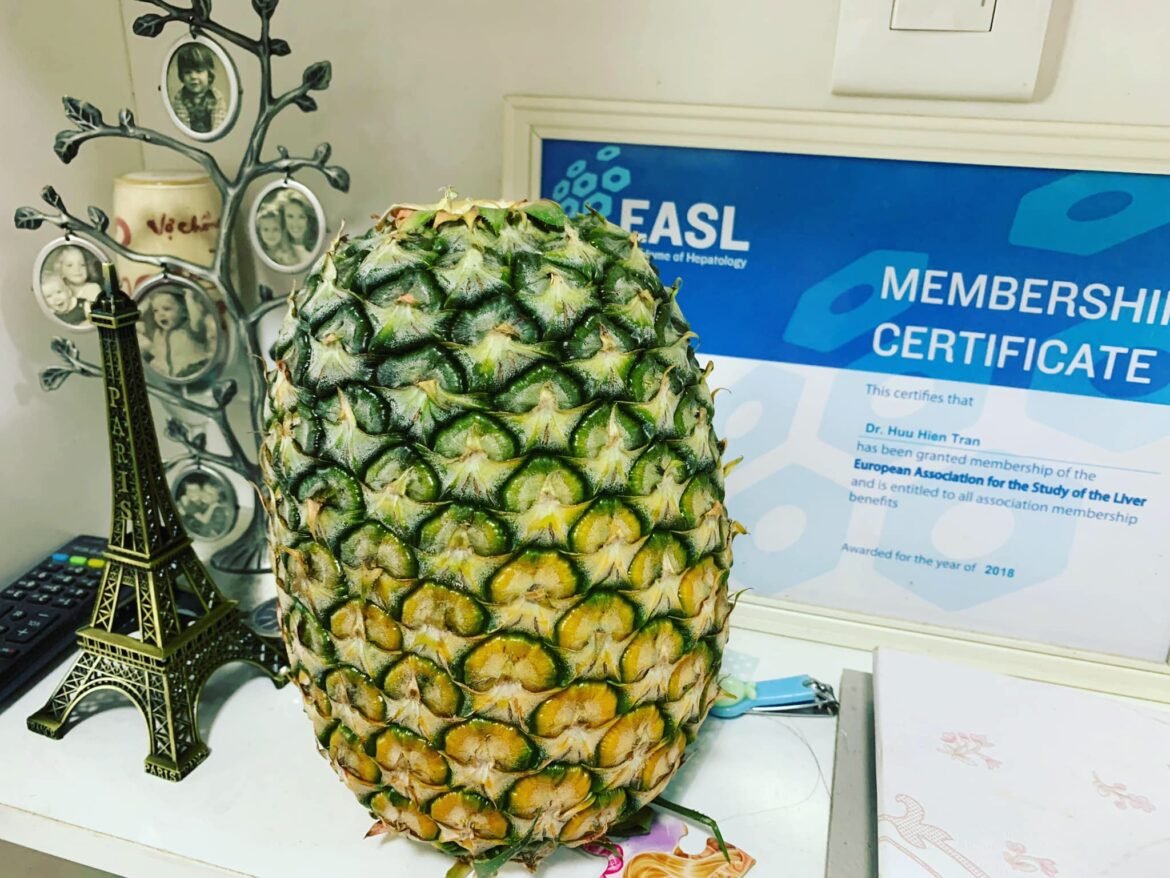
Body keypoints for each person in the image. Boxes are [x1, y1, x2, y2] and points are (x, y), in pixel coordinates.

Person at [137, 287, 218, 380]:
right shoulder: (157, 333)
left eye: (167, 309)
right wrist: (148, 300)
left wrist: (189, 298)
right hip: (170, 377)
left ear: (184, 312)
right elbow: (140, 317)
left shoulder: (188, 329)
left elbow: (197, 321)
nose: (160, 314)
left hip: (193, 371)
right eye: (155, 310)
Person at [170, 43, 227, 134]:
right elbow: (183, 125)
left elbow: (219, 122)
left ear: (209, 74)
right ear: (181, 75)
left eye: (199, 71)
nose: (193, 76)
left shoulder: (216, 97)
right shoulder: (180, 98)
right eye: (188, 72)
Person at [278, 190, 317, 264]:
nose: (295, 223)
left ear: (309, 219)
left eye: (301, 217)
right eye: (290, 216)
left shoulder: (320, 246)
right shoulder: (278, 250)